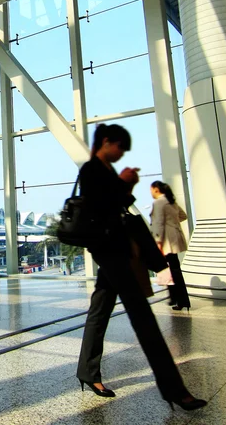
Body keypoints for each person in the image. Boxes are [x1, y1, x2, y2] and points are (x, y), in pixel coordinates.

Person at [76, 123, 207, 411]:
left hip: (114, 252)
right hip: (109, 252)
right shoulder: (91, 170)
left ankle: (87, 371)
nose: (122, 153)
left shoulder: (105, 170)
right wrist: (125, 184)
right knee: (144, 320)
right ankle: (175, 390)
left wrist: (125, 185)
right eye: (120, 147)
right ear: (107, 142)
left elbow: (114, 204)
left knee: (99, 311)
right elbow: (102, 209)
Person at [151, 181, 191, 311]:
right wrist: (173, 223)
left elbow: (158, 224)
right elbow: (183, 216)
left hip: (166, 240)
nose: (151, 192)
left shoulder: (158, 202)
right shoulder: (171, 202)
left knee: (170, 269)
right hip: (176, 236)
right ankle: (178, 299)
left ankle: (176, 298)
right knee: (174, 269)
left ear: (156, 189)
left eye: (151, 189)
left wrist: (158, 243)